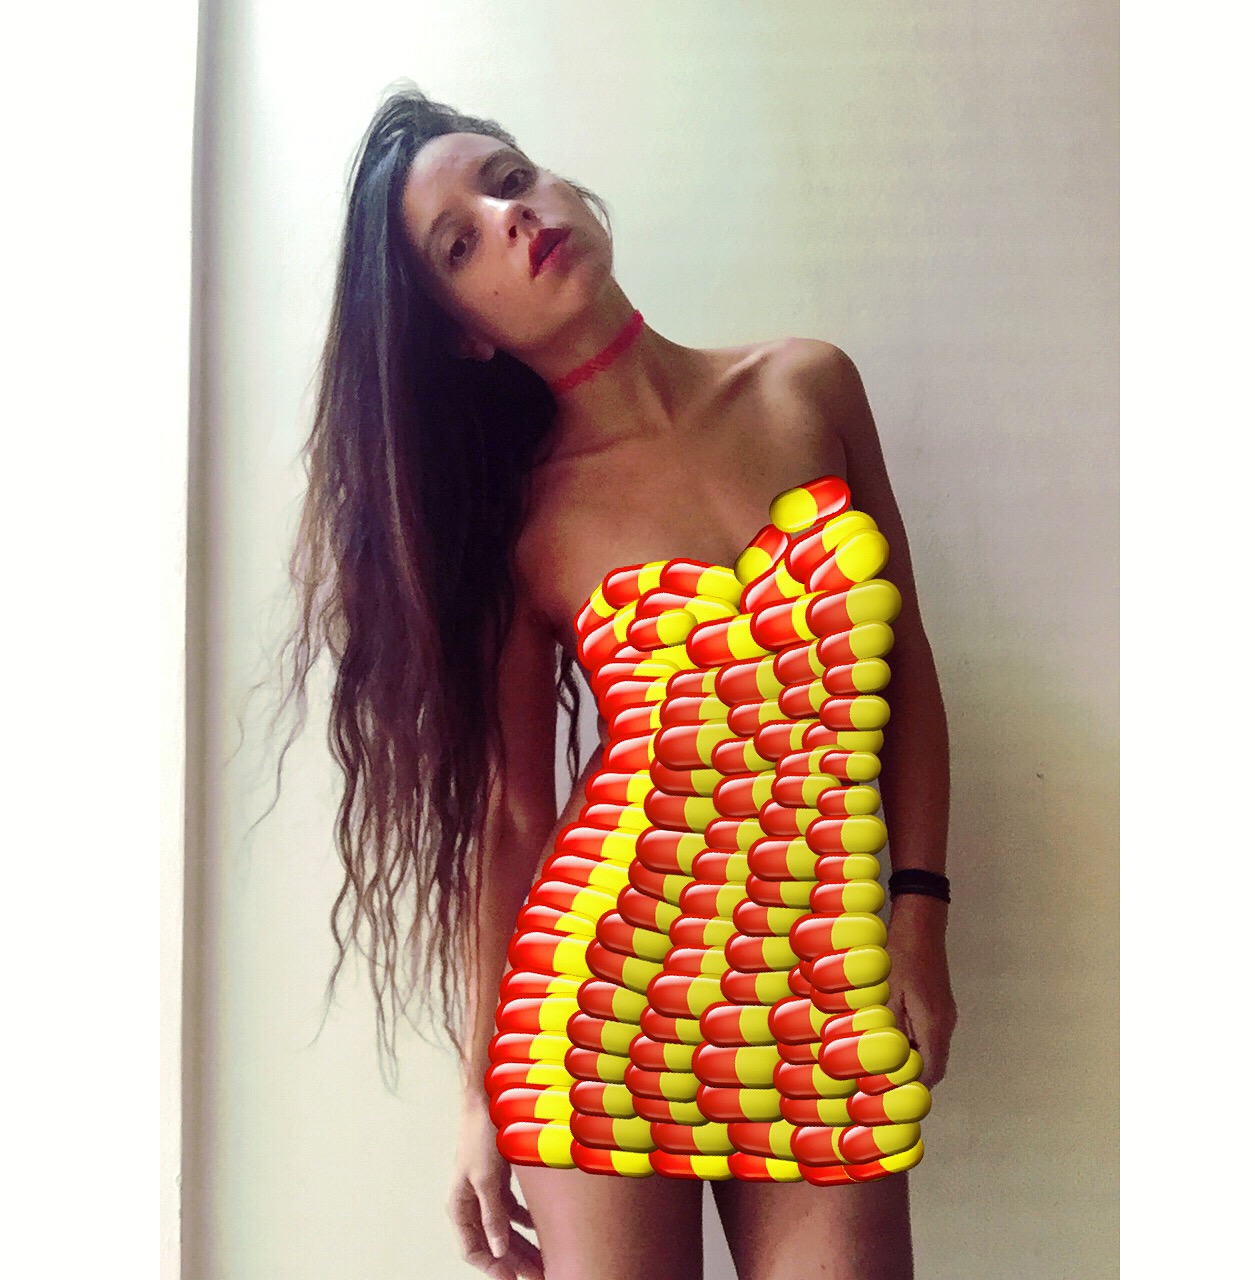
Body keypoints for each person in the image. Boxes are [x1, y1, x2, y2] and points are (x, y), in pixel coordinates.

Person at [276, 83, 957, 1280]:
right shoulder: (523, 521)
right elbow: (512, 817)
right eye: (459, 244)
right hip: (602, 1000)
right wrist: (478, 1094)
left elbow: (904, 680)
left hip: (818, 979)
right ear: (464, 334)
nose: (509, 215)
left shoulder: (807, 385)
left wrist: (919, 912)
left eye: (506, 178)